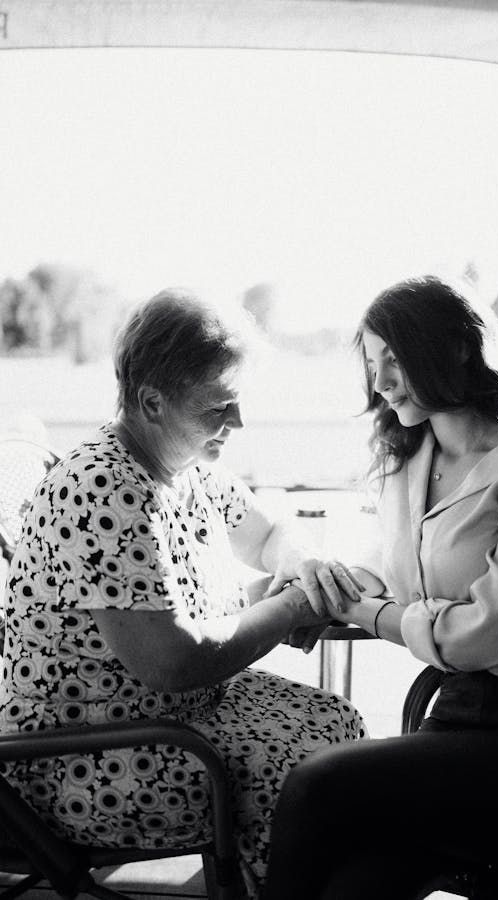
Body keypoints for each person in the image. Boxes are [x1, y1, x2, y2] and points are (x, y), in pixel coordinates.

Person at [0, 288, 366, 899]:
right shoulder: (104, 488)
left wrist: (302, 566)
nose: (238, 423)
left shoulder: (186, 463)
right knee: (313, 780)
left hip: (173, 719)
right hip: (89, 752)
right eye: (220, 407)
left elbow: (269, 532)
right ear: (151, 402)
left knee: (340, 726)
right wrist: (292, 606)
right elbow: (175, 661)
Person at [262, 276, 498, 900]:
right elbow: (388, 570)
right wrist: (315, 584)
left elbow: (488, 636)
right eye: (372, 362)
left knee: (316, 784)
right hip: (458, 723)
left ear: (456, 350)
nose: (382, 381)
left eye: (395, 358)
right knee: (350, 886)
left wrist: (365, 612)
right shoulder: (406, 458)